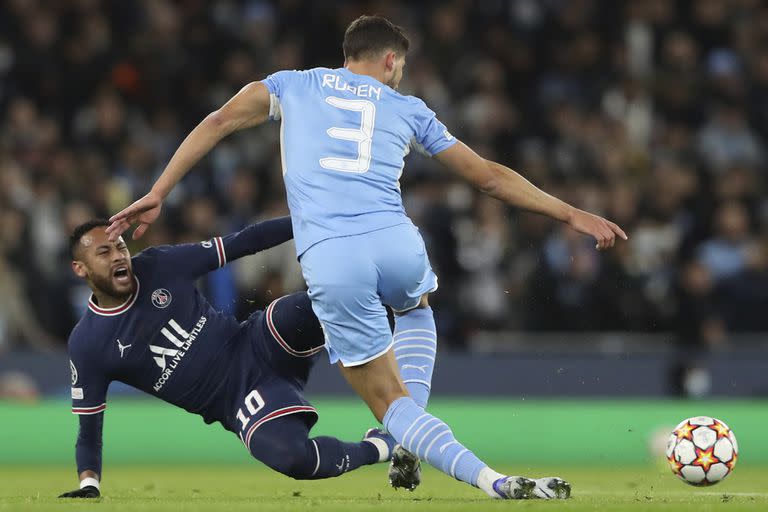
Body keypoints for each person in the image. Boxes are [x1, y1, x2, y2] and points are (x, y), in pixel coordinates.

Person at [107, 15, 628, 499]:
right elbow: (488, 177)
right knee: (415, 306)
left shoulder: (292, 83)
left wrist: (159, 190)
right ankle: (407, 441)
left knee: (389, 404)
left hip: (334, 262)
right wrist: (570, 214)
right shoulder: (407, 108)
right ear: (389, 61)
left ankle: (491, 480)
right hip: (395, 242)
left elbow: (218, 121)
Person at [59, 218, 399, 498]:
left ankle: (398, 294)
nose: (119, 256)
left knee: (312, 307)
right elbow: (89, 429)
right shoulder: (88, 344)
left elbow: (243, 241)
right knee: (291, 457)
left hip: (257, 342)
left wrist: (311, 222)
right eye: (104, 252)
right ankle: (381, 446)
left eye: (120, 246)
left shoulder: (158, 265)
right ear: (80, 269)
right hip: (241, 401)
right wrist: (89, 483)